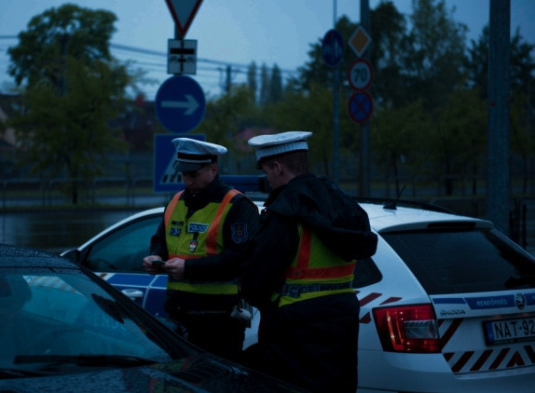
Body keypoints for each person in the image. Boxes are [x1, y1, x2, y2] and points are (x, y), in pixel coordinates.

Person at [240, 131, 378, 392]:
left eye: (267, 171)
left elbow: (255, 281)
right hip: (343, 318)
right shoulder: (345, 204)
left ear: (278, 168)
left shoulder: (284, 211)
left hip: (294, 328)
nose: (267, 180)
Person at [143, 137, 259, 361]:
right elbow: (161, 238)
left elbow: (239, 258)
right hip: (178, 315)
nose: (187, 180)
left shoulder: (236, 206)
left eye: (193, 174)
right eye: (183, 174)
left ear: (213, 169)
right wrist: (157, 255)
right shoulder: (176, 201)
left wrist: (188, 268)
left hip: (219, 320)